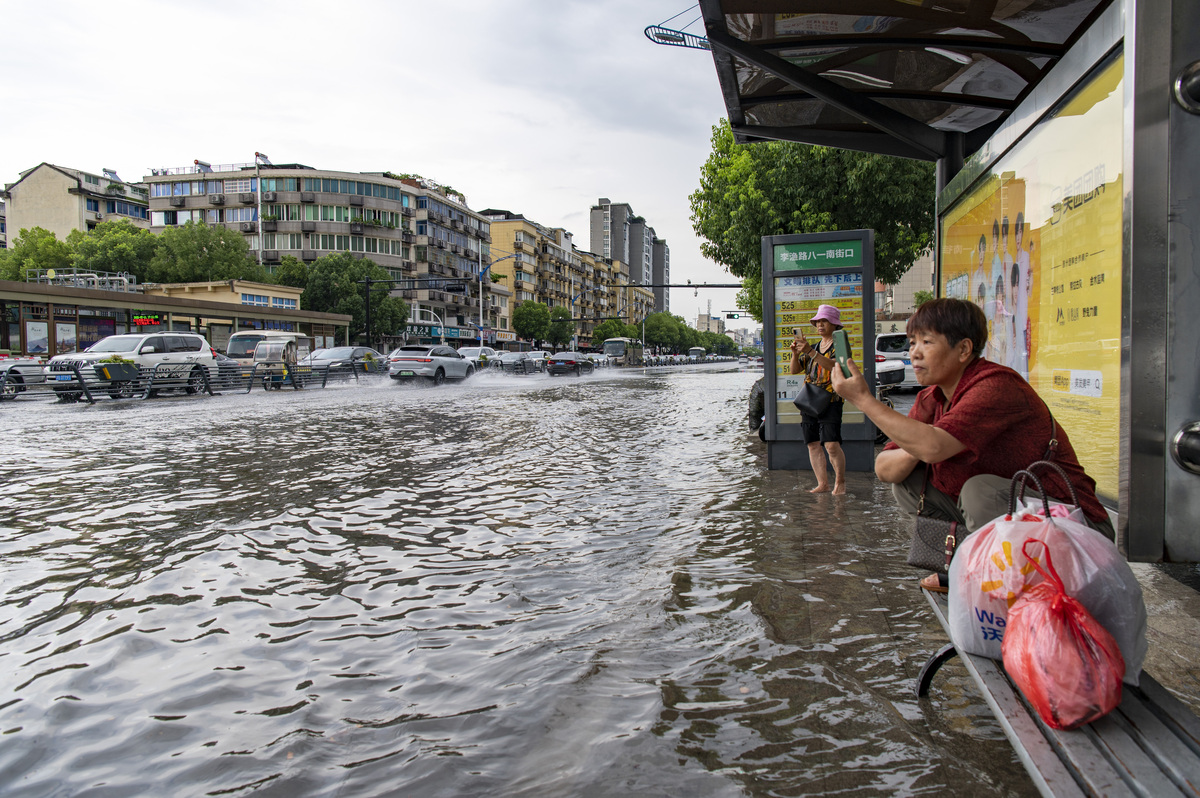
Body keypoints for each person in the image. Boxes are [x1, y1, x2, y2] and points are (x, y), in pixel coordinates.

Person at [828, 298, 1113, 592]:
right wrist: (920, 444)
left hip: (1075, 527)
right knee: (908, 482)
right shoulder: (931, 398)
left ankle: (1010, 584)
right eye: (912, 342)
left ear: (964, 349)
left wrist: (864, 400)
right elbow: (884, 469)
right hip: (1023, 522)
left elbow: (934, 448)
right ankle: (965, 567)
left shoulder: (995, 385)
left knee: (979, 491)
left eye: (927, 342)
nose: (915, 352)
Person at [790, 304, 849, 494]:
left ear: (834, 324)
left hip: (831, 399)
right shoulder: (813, 347)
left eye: (825, 321)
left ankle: (840, 481)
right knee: (812, 443)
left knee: (831, 444)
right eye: (818, 321)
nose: (820, 325)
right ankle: (822, 483)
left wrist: (810, 352)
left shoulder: (838, 346)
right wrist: (795, 354)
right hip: (810, 400)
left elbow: (835, 366)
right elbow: (795, 370)